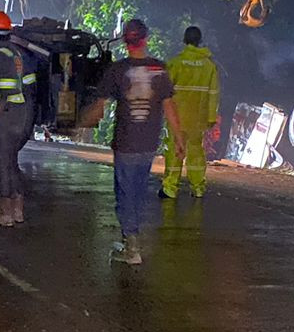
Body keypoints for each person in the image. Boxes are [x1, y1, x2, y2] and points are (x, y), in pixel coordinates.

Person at [81, 18, 185, 266]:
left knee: (125, 193)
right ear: (146, 39)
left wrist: (80, 122)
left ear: (125, 42)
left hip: (126, 142)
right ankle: (131, 237)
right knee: (137, 192)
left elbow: (99, 106)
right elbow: (169, 107)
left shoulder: (117, 70)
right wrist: (179, 138)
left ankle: (131, 244)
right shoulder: (159, 69)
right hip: (149, 143)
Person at [0, 10, 35, 227]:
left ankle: (4, 213)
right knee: (12, 162)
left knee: (1, 163)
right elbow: (29, 87)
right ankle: (18, 210)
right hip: (21, 115)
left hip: (5, 118)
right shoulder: (18, 55)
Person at [161, 26, 220, 199]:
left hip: (177, 118)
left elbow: (166, 92)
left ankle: (170, 188)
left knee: (174, 150)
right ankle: (198, 188)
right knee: (196, 152)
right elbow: (213, 94)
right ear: (199, 41)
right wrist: (210, 118)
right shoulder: (209, 66)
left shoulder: (176, 63)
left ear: (184, 40)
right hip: (198, 119)